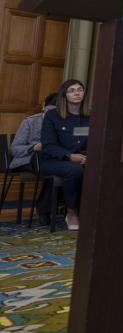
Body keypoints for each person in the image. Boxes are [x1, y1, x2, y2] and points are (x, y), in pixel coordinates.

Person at [40, 80, 89, 231]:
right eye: (72, 90)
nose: (76, 92)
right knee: (74, 170)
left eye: (80, 89)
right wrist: (69, 155)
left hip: (82, 159)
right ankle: (71, 212)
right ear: (64, 95)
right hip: (53, 161)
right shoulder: (52, 116)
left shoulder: (90, 116)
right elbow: (48, 145)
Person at [9, 94, 57, 224]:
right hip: (27, 160)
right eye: (49, 111)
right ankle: (45, 210)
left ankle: (56, 207)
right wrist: (34, 147)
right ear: (43, 107)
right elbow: (14, 149)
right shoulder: (30, 122)